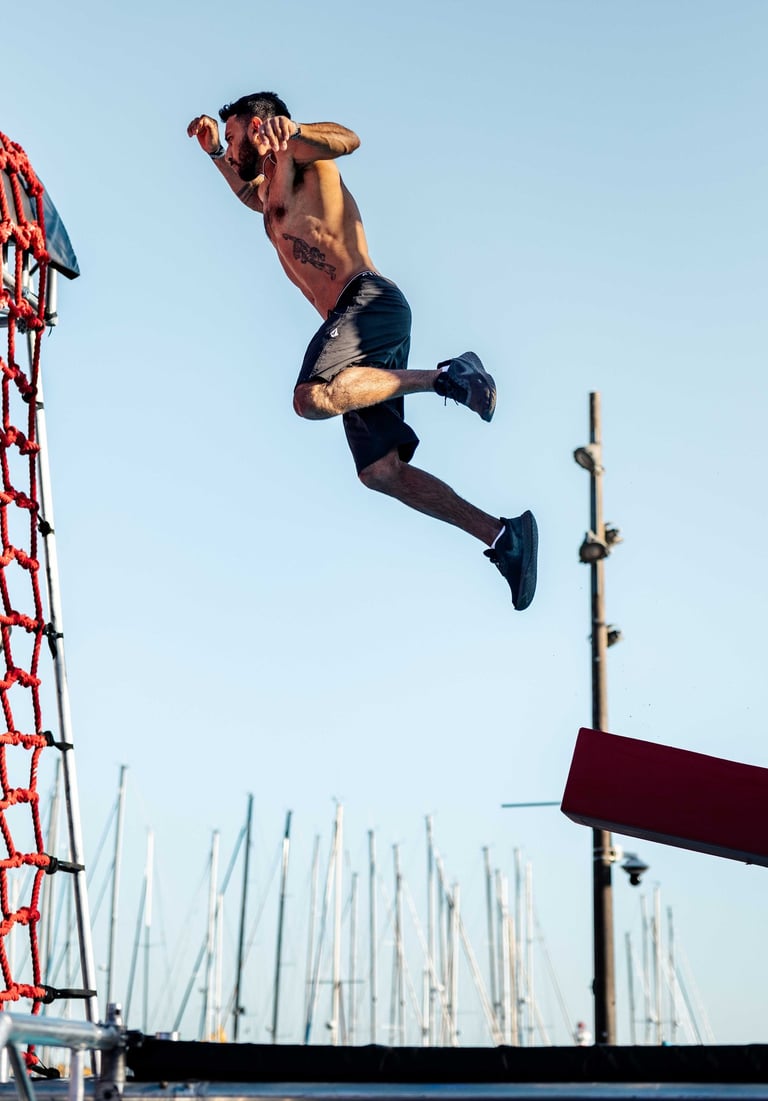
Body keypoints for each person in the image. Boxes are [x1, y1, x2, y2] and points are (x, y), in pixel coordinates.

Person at [187, 92, 538, 609]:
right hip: (359, 321)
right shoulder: (271, 184)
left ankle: (447, 378)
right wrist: (216, 153)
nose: (232, 146)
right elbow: (249, 195)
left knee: (311, 396)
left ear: (260, 129)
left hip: (368, 300)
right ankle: (504, 538)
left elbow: (348, 140)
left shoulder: (299, 153)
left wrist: (295, 129)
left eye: (234, 136)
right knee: (380, 472)